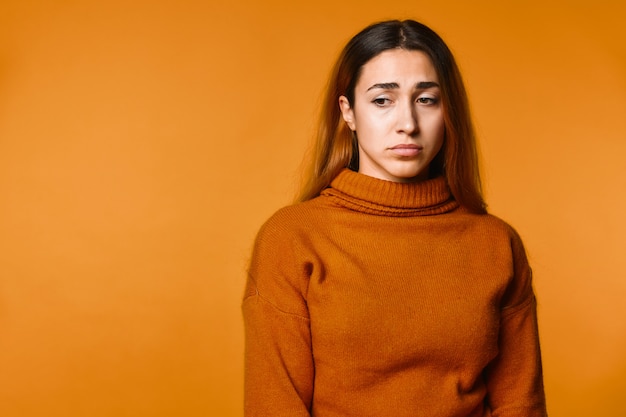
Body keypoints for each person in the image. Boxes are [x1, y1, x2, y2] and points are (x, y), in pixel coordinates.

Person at [242, 19, 547, 417]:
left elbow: (520, 404)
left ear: (447, 111)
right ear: (348, 112)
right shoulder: (293, 237)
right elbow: (274, 405)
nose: (408, 123)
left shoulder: (496, 243)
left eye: (426, 100)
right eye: (382, 100)